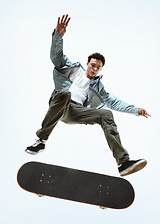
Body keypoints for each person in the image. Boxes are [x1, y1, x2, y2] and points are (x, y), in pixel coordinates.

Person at [25, 14, 151, 177]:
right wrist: (59, 35)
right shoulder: (72, 69)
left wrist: (136, 110)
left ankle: (123, 162)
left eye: (98, 67)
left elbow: (113, 102)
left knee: (106, 113)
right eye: (93, 65)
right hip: (59, 104)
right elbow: (55, 57)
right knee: (64, 94)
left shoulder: (97, 87)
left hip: (76, 112)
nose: (95, 69)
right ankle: (41, 141)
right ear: (87, 63)